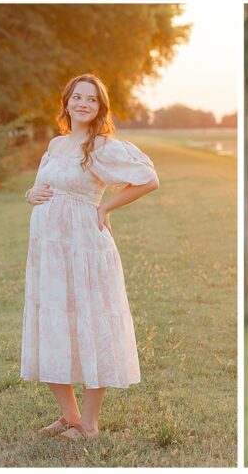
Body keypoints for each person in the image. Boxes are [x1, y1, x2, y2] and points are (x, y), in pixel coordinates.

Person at [21, 74, 160, 440]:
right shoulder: (55, 144)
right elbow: (41, 186)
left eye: (92, 99)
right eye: (77, 97)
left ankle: (90, 424)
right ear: (66, 102)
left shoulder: (101, 147)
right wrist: (30, 195)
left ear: (100, 108)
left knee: (91, 322)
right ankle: (70, 416)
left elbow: (148, 179)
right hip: (48, 250)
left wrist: (106, 207)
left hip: (85, 248)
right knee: (53, 323)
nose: (83, 104)